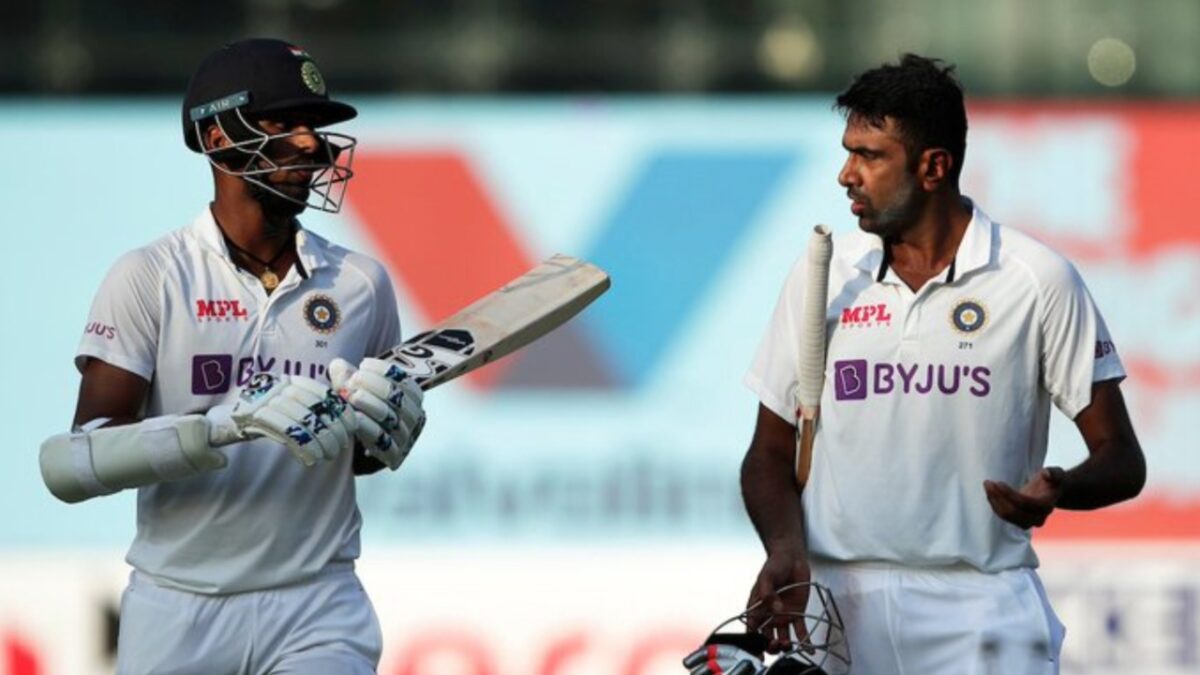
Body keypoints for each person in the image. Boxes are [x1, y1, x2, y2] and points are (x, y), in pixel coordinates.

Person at [739, 54, 1145, 674]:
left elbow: (1122, 458)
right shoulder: (825, 273)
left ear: (933, 167)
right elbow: (770, 450)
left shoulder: (1036, 280)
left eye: (870, 156)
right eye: (848, 152)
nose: (846, 175)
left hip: (980, 606)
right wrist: (786, 550)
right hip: (840, 607)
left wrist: (1060, 488)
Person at [39, 38, 425, 674]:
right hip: (177, 605)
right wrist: (223, 427)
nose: (310, 144)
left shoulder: (360, 283)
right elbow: (80, 459)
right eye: (284, 124)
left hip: (318, 602)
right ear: (217, 136)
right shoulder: (151, 276)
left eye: (315, 127)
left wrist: (388, 431)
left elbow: (353, 456)